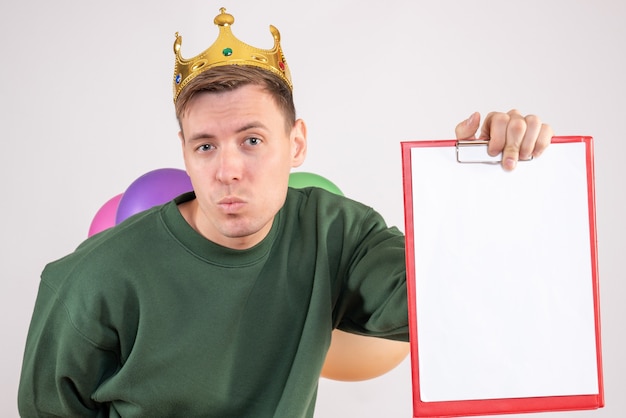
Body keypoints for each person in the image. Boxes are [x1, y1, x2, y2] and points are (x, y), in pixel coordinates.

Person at [18, 7, 553, 417]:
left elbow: (447, 307)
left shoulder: (337, 234)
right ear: (183, 150)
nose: (227, 169)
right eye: (205, 146)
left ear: (296, 144)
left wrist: (484, 182)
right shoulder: (91, 279)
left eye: (251, 140)